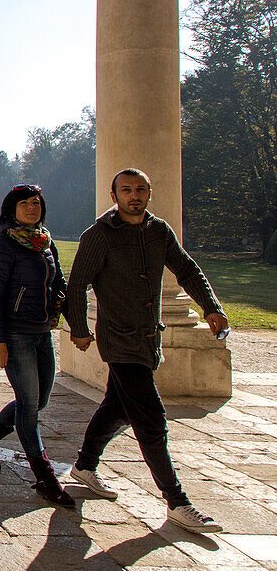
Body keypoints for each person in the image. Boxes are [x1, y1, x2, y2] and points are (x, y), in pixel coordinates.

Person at [65, 168, 228, 534]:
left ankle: (85, 465)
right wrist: (79, 328)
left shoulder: (159, 231)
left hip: (148, 338)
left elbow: (186, 269)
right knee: (151, 417)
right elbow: (77, 285)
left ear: (150, 193)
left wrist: (211, 306)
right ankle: (178, 502)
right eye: (126, 190)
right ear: (114, 195)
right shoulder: (99, 235)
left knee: (118, 407)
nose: (133, 195)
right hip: (118, 339)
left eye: (140, 189)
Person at [0, 184, 73, 506]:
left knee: (39, 400)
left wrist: (78, 325)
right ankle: (44, 475)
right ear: (11, 209)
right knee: (28, 406)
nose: (32, 207)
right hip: (15, 334)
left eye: (37, 202)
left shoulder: (45, 241)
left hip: (43, 332)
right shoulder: (4, 246)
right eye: (25, 203)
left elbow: (59, 284)